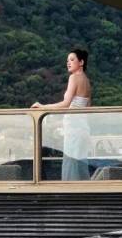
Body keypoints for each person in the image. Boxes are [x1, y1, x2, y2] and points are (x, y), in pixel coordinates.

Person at [31, 49, 92, 180]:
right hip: (83, 128)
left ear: (81, 62)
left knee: (71, 164)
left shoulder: (74, 77)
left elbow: (66, 104)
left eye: (72, 60)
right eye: (67, 60)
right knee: (81, 166)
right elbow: (87, 107)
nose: (68, 63)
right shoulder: (86, 80)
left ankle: (69, 192)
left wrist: (43, 106)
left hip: (73, 127)